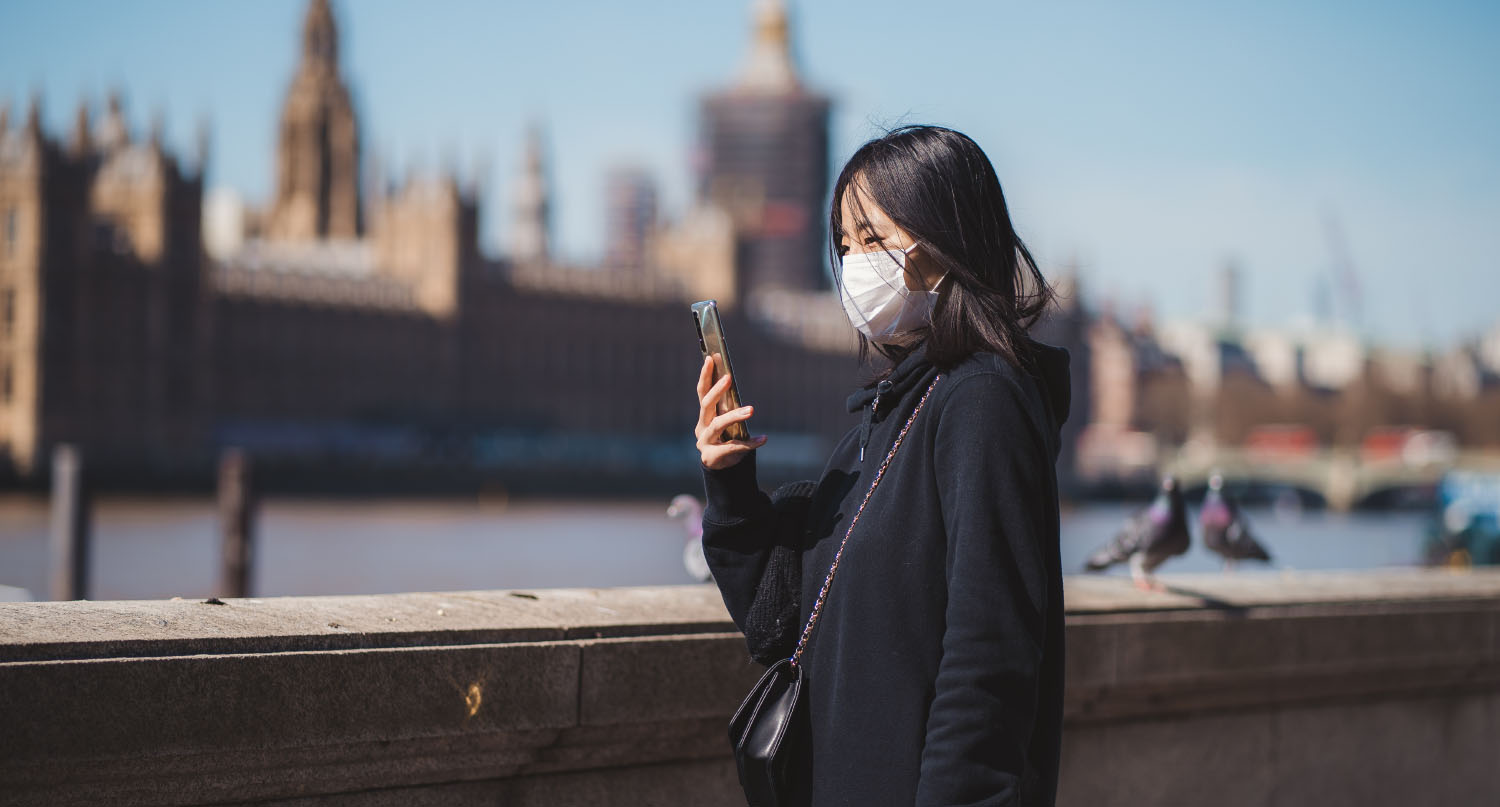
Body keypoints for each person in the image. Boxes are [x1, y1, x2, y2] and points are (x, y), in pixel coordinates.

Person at [693, 125, 1071, 806]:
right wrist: (730, 484)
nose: (853, 262)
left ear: (942, 243)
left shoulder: (982, 401)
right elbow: (780, 620)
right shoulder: (886, 416)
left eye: (872, 239)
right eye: (843, 243)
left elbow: (988, 659)